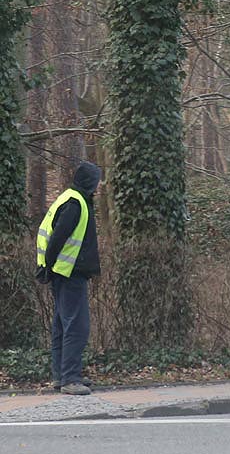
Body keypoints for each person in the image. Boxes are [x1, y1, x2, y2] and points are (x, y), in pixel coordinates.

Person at [36, 161, 102, 396]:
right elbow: (57, 238)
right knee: (77, 326)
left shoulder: (70, 197)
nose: (99, 187)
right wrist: (50, 266)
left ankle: (62, 375)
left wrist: (47, 268)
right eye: (97, 182)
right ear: (90, 182)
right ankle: (70, 379)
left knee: (63, 325)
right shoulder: (76, 203)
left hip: (63, 273)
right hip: (69, 273)